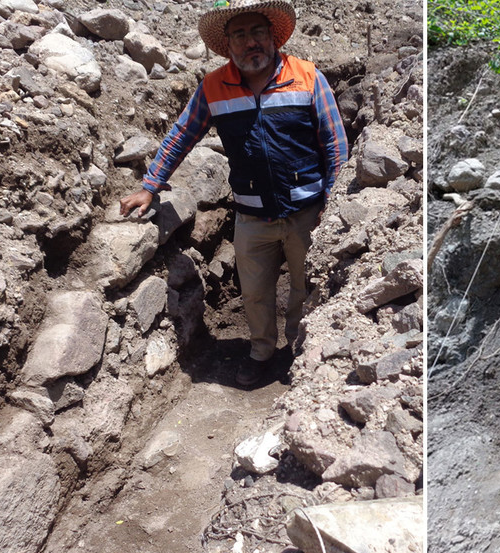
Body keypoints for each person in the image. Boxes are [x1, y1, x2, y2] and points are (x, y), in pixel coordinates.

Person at [120, 0, 349, 387]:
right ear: (227, 44)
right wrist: (150, 186)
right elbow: (181, 136)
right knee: (255, 292)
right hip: (252, 214)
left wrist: (334, 201)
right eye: (239, 35)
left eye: (257, 32)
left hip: (307, 211)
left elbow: (335, 145)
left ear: (272, 36)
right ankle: (261, 353)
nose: (250, 43)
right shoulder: (213, 87)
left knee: (303, 287)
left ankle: (299, 352)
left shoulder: (308, 77)